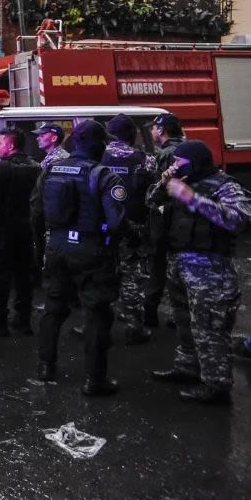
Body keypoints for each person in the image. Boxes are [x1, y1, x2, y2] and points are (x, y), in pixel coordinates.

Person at [149, 141, 250, 404]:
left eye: (179, 163)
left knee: (210, 328)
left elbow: (238, 218)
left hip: (210, 270)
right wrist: (163, 185)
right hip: (180, 264)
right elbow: (151, 202)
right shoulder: (179, 180)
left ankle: (216, 384)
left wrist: (192, 199)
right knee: (184, 321)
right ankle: (187, 367)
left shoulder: (224, 185)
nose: (174, 167)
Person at [34, 120, 126, 397]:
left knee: (53, 307)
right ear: (97, 144)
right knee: (97, 314)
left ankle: (45, 366)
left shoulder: (51, 169)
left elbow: (37, 210)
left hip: (57, 246)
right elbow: (117, 222)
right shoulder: (104, 175)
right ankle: (94, 380)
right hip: (91, 249)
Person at [0, 128, 41, 337]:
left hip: (3, 230)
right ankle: (23, 320)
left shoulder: (3, 168)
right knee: (25, 277)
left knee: (0, 277)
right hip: (26, 228)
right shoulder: (36, 166)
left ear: (11, 145)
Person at [102, 114, 157, 345]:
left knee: (100, 273)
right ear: (132, 134)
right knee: (132, 275)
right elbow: (155, 195)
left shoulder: (98, 156)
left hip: (103, 225)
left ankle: (95, 324)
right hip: (134, 226)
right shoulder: (145, 159)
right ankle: (134, 324)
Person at [144, 113, 186, 328]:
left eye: (152, 128)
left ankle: (150, 315)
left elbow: (157, 191)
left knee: (158, 268)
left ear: (161, 129)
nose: (151, 132)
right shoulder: (190, 148)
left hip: (165, 219)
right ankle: (179, 316)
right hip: (185, 220)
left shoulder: (165, 153)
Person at [31, 123, 69, 280]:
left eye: (42, 134)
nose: (38, 138)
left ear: (54, 138)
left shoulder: (56, 160)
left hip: (54, 218)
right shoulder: (53, 158)